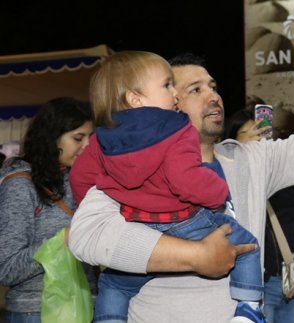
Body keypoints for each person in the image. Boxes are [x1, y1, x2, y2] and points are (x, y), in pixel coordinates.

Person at [67, 28, 294, 323]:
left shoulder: (247, 160)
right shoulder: (128, 166)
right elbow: (87, 237)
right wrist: (197, 256)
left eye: (212, 85)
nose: (213, 95)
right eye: (194, 90)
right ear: (164, 105)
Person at [70, 51, 265, 323]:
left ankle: (109, 318)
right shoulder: (176, 127)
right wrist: (218, 191)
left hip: (137, 225)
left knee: (113, 284)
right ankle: (248, 308)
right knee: (247, 246)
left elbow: (80, 178)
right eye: (166, 85)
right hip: (185, 220)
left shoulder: (102, 137)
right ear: (135, 98)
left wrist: (97, 200)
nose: (174, 93)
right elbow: (185, 180)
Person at [227, 104, 294, 323]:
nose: (257, 139)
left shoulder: (284, 171)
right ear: (233, 141)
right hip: (257, 283)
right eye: (249, 134)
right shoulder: (228, 179)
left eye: (262, 132)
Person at [0, 97, 94, 322]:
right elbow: (7, 268)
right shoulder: (20, 185)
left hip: (82, 304)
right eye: (78, 138)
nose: (87, 146)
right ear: (51, 138)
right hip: (35, 310)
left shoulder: (79, 179)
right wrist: (61, 241)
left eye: (91, 137)